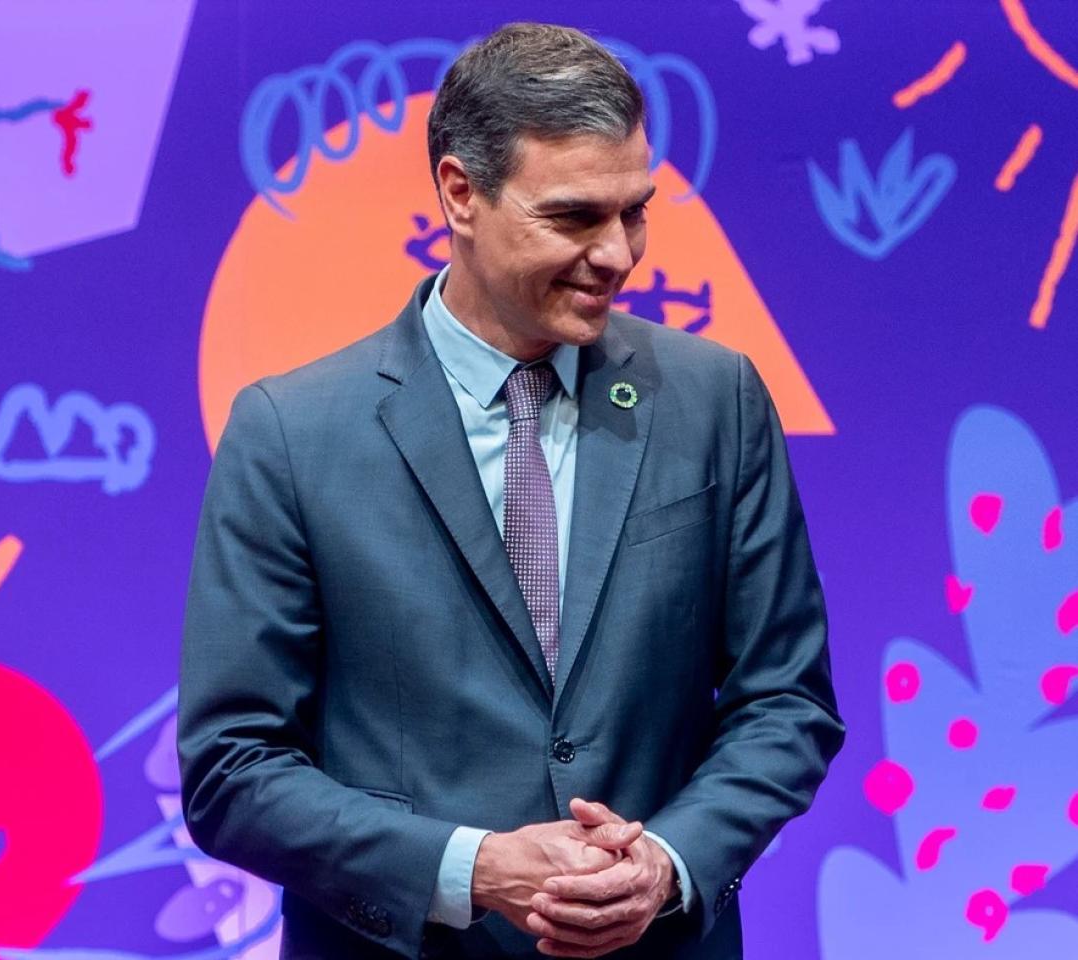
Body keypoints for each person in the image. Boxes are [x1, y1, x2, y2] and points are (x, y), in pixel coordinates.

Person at [178, 22, 844, 960]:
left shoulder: (714, 400)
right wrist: (473, 868)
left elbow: (788, 703)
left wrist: (666, 863)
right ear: (461, 193)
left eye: (635, 212)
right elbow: (232, 770)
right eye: (573, 218)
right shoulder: (291, 433)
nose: (618, 254)